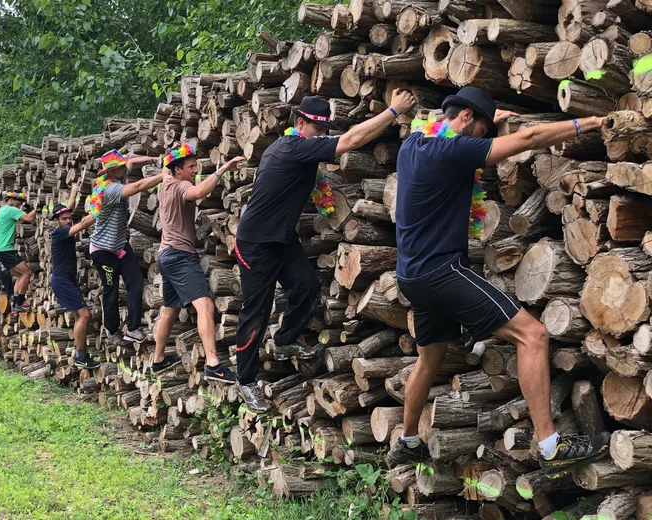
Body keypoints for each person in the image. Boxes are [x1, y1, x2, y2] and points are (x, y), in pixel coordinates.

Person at [388, 86, 609, 472]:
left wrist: (488, 121)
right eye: (483, 132)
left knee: (429, 359)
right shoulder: (453, 150)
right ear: (467, 120)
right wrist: (589, 122)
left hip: (411, 275)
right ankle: (550, 445)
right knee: (534, 335)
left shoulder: (414, 146)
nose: (484, 142)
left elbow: (448, 126)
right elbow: (531, 137)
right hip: (442, 271)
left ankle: (407, 441)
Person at [233, 92, 416, 413]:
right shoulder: (292, 148)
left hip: (280, 239)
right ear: (300, 124)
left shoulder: (295, 147)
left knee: (306, 288)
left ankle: (285, 339)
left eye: (324, 131)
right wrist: (392, 111)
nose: (323, 137)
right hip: (256, 243)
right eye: (318, 131)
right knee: (256, 313)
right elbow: (349, 141)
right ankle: (245, 379)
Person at [152, 144, 243, 382]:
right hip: (180, 256)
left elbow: (165, 167)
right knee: (205, 307)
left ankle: (158, 359)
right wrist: (222, 169)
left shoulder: (166, 181)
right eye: (191, 167)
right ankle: (213, 364)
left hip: (165, 255)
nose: (195, 170)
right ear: (178, 170)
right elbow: (198, 193)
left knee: (171, 309)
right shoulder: (182, 185)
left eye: (196, 165)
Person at [85, 149, 164, 343]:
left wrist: (155, 159)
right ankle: (113, 331)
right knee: (111, 291)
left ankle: (133, 328)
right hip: (103, 252)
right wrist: (164, 175)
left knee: (135, 281)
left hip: (120, 246)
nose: (124, 167)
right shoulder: (109, 189)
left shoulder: (120, 173)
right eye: (119, 166)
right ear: (111, 172)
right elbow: (138, 186)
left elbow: (132, 162)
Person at [49, 184, 99, 369]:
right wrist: (100, 206)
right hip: (61, 281)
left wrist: (74, 191)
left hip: (67, 279)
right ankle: (80, 356)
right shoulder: (59, 233)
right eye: (64, 219)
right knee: (84, 315)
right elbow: (84, 224)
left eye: (70, 218)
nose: (68, 221)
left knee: (82, 316)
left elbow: (68, 207)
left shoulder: (64, 224)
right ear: (57, 221)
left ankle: (81, 354)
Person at [0, 191, 38, 314]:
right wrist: (39, 208)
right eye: (18, 203)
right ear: (11, 200)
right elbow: (28, 218)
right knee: (27, 272)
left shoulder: (2, 210)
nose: (19, 206)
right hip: (6, 250)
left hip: (0, 250)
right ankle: (20, 302)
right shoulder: (10, 210)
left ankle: (15, 304)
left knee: (19, 276)